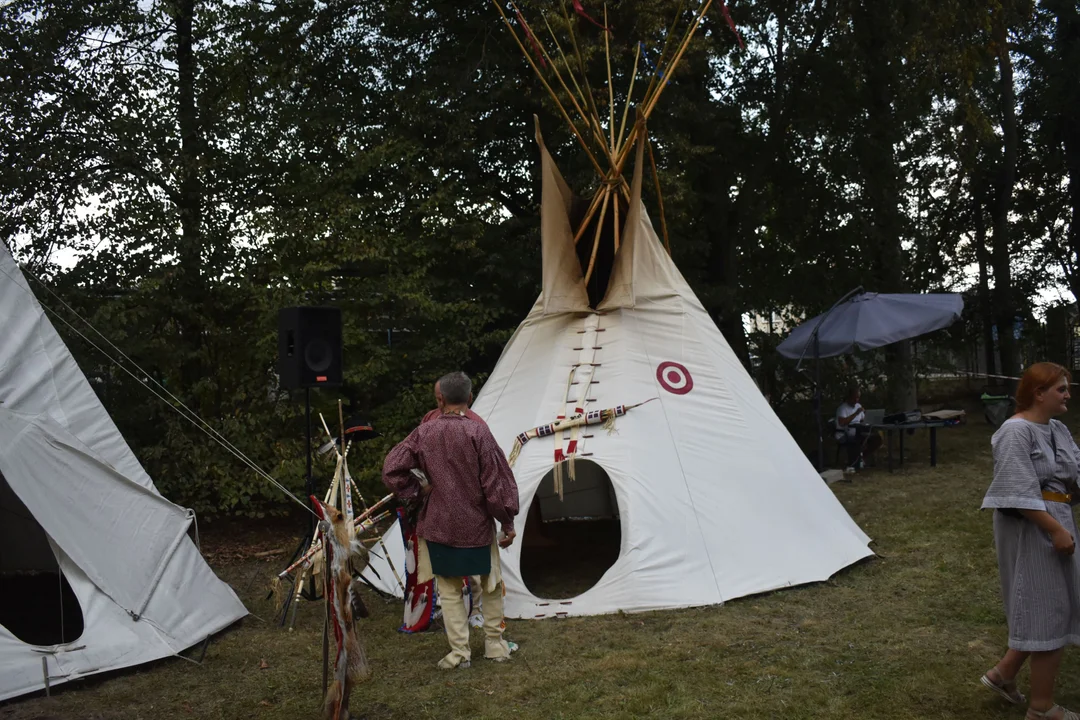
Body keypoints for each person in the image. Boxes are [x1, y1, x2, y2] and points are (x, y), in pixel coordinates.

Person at [383, 371, 519, 669]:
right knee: (492, 585)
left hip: (439, 526)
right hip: (478, 526)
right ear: (470, 398)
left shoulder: (424, 433)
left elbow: (392, 469)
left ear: (440, 398)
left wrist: (418, 491)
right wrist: (507, 522)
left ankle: (460, 654)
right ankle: (495, 646)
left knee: (450, 591)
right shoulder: (478, 432)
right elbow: (496, 484)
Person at [980, 362, 1080, 720]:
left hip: (1058, 522)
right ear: (1039, 393)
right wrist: (1053, 529)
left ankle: (1003, 674)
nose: (1068, 394)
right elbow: (1014, 492)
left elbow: (1074, 475)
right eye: (1062, 389)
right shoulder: (1014, 432)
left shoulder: (1057, 429)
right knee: (1047, 608)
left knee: (1051, 602)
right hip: (1030, 527)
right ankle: (1041, 709)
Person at [834, 384, 881, 472]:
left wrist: (868, 418)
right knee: (858, 439)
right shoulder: (842, 408)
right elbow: (842, 423)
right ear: (849, 397)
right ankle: (855, 462)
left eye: (858, 398)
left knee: (876, 439)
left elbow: (863, 419)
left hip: (859, 430)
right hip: (846, 432)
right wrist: (855, 413)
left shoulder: (858, 406)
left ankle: (862, 457)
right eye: (854, 398)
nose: (856, 400)